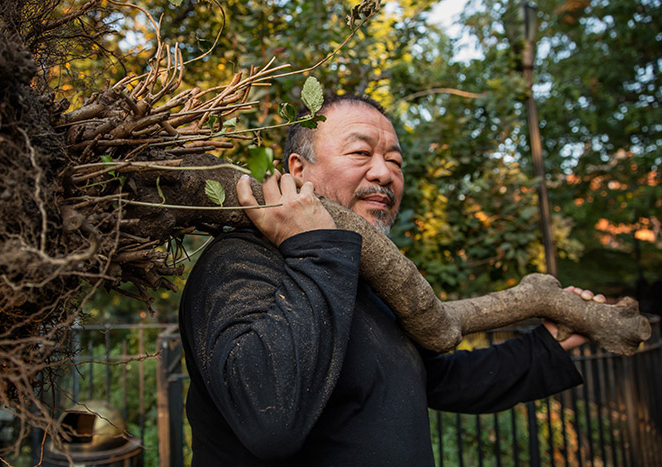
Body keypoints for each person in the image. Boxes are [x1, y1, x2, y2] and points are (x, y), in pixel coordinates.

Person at [179, 94, 603, 466]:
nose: (384, 173)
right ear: (299, 170)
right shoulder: (237, 261)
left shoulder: (365, 277)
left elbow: (430, 380)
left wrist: (548, 347)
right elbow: (268, 420)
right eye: (361, 154)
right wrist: (315, 247)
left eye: (395, 161)